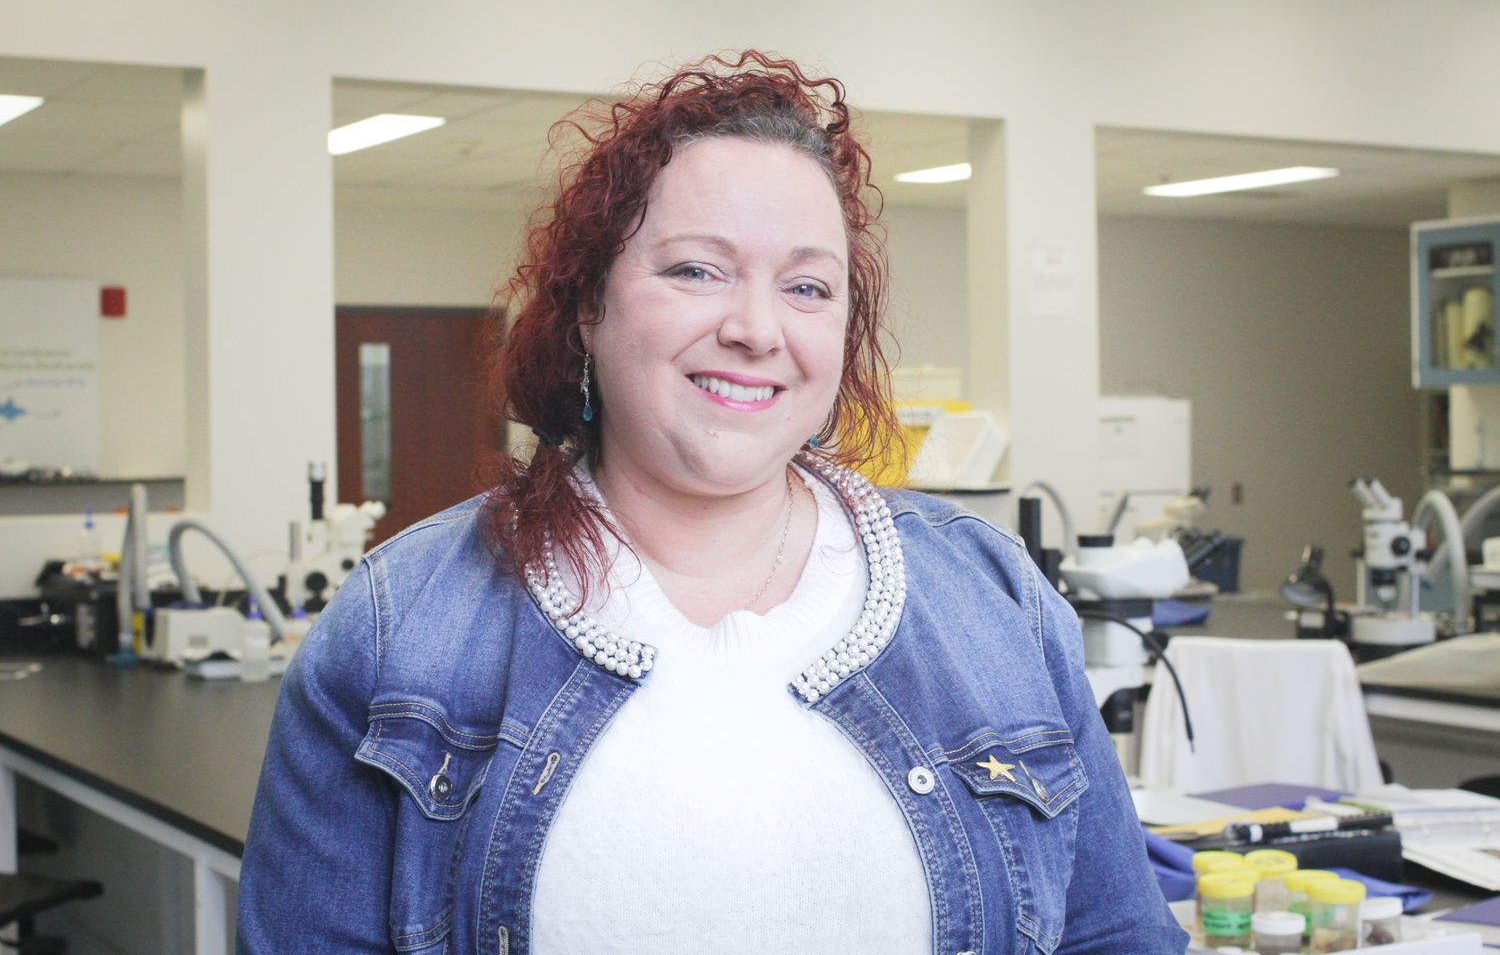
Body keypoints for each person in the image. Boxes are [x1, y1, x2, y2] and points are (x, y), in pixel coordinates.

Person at [238, 51, 1187, 955]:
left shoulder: (996, 603)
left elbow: (1115, 933)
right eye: (697, 270)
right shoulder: (401, 626)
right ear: (586, 311)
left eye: (808, 287)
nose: (755, 329)